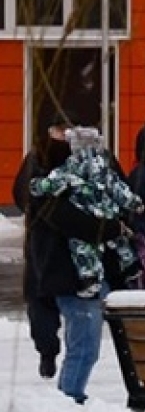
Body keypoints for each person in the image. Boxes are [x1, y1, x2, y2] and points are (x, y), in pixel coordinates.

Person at [30, 128, 143, 404]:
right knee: (84, 347)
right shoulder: (56, 190)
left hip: (80, 275)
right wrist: (114, 226)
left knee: (83, 345)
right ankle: (70, 399)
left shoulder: (66, 181)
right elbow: (84, 226)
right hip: (71, 277)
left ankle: (69, 397)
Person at [15, 123, 69, 378]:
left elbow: (20, 194)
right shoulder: (91, 160)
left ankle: (49, 352)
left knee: (41, 297)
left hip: (42, 242)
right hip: (72, 243)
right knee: (71, 301)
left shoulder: (36, 158)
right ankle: (60, 355)